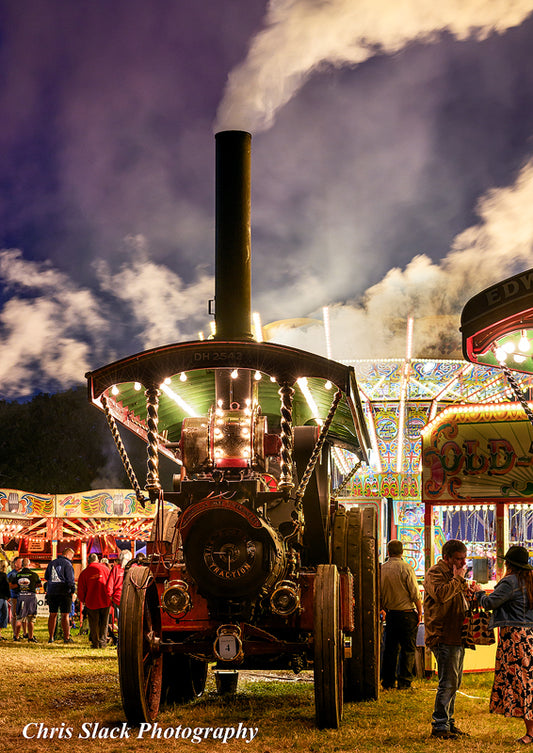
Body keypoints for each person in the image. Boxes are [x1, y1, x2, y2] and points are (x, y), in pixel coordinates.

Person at [472, 545, 533, 745]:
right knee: (529, 682)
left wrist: (479, 592)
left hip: (515, 639)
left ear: (509, 564)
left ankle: (531, 733)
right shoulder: (530, 581)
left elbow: (490, 604)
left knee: (521, 684)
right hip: (530, 636)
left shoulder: (510, 582)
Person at [424, 539, 471, 739]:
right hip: (442, 634)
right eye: (459, 559)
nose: (463, 563)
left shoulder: (454, 575)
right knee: (448, 681)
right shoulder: (435, 573)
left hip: (457, 634)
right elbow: (441, 595)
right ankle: (440, 725)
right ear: (447, 558)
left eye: (464, 559)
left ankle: (449, 722)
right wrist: (459, 580)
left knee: (455, 681)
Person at [380, 539, 422, 690]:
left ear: (388, 552)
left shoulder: (381, 569)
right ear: (402, 552)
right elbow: (415, 593)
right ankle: (404, 682)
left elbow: (379, 594)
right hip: (407, 613)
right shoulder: (407, 568)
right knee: (408, 649)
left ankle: (388, 682)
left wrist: (383, 608)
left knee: (390, 649)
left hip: (391, 615)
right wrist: (420, 612)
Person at [77, 553, 111, 648]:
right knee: (104, 623)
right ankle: (103, 642)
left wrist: (83, 600)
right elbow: (111, 583)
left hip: (91, 601)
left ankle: (96, 643)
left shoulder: (84, 573)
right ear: (97, 560)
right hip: (105, 600)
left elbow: (81, 589)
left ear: (88, 561)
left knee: (93, 623)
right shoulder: (106, 569)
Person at [44, 546, 76, 644]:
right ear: (68, 555)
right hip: (64, 592)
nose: (72, 558)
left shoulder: (52, 563)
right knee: (65, 615)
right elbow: (70, 580)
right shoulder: (68, 564)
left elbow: (46, 577)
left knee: (52, 614)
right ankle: (66, 638)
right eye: (72, 556)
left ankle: (51, 637)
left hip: (52, 592)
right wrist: (73, 591)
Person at [8, 557, 41, 642]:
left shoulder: (18, 575)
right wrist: (31, 586)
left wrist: (20, 586)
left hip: (20, 596)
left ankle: (16, 636)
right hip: (30, 597)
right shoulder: (33, 574)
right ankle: (30, 637)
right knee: (31, 618)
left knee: (19, 617)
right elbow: (40, 584)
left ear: (22, 565)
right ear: (29, 564)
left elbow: (11, 585)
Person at [0, 560, 10, 639]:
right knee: (3, 616)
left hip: (2, 597)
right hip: (2, 598)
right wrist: (9, 596)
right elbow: (7, 587)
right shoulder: (3, 575)